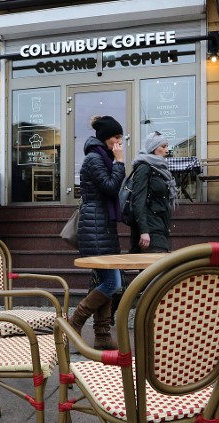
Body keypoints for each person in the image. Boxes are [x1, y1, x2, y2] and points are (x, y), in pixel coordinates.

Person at [71, 115, 126, 350]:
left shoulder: (101, 157)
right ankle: (75, 320)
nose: (120, 143)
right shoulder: (95, 159)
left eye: (121, 138)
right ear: (106, 138)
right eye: (116, 138)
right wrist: (120, 162)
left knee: (103, 281)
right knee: (112, 283)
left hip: (101, 226)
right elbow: (111, 187)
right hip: (95, 227)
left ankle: (102, 335)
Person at [128, 131, 176, 254]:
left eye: (167, 146)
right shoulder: (144, 167)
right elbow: (138, 200)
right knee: (156, 270)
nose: (167, 150)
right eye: (163, 146)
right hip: (149, 229)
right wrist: (144, 231)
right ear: (153, 148)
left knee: (158, 271)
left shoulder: (160, 169)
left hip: (160, 226)